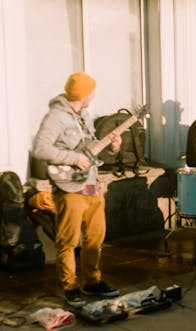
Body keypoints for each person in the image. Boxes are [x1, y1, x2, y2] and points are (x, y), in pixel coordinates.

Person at [32, 72, 122, 307]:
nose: (93, 95)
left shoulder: (85, 116)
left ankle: (92, 281)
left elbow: (89, 151)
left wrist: (112, 148)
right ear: (83, 94)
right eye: (91, 91)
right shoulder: (55, 117)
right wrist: (72, 158)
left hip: (92, 185)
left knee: (95, 237)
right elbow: (40, 148)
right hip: (69, 188)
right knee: (68, 240)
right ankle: (70, 286)